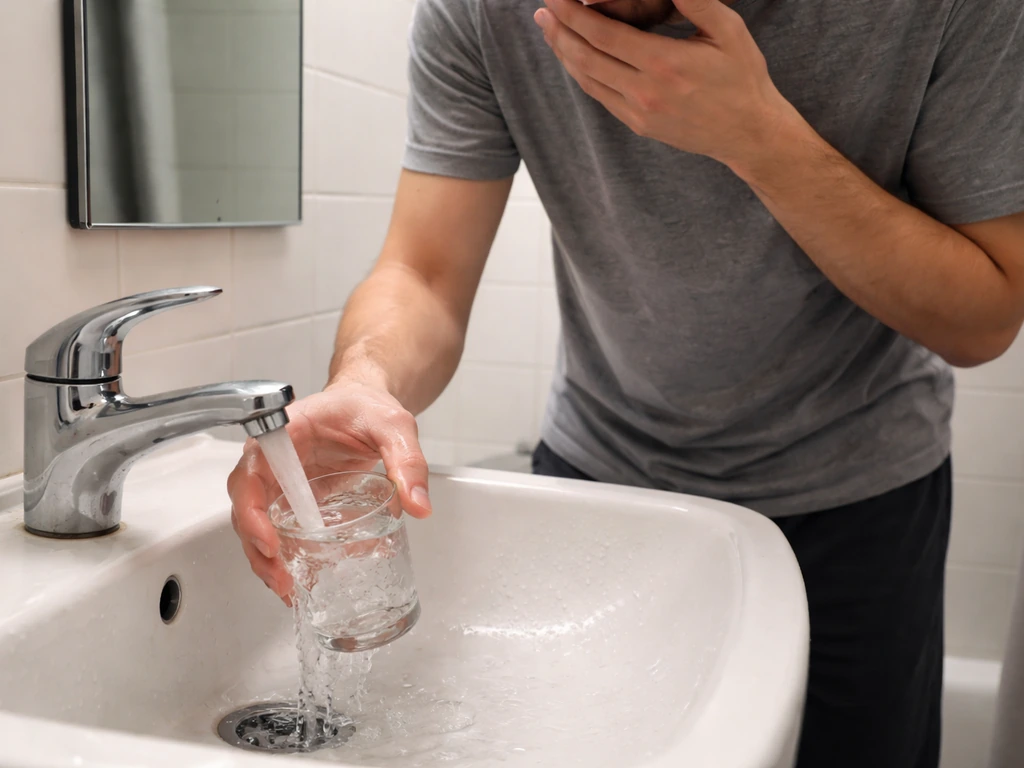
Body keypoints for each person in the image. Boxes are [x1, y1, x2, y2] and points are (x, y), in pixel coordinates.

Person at [227, 1, 1024, 765]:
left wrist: (759, 137)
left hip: (860, 501)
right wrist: (366, 379)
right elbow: (425, 272)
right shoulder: (481, 11)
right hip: (605, 478)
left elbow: (985, 320)